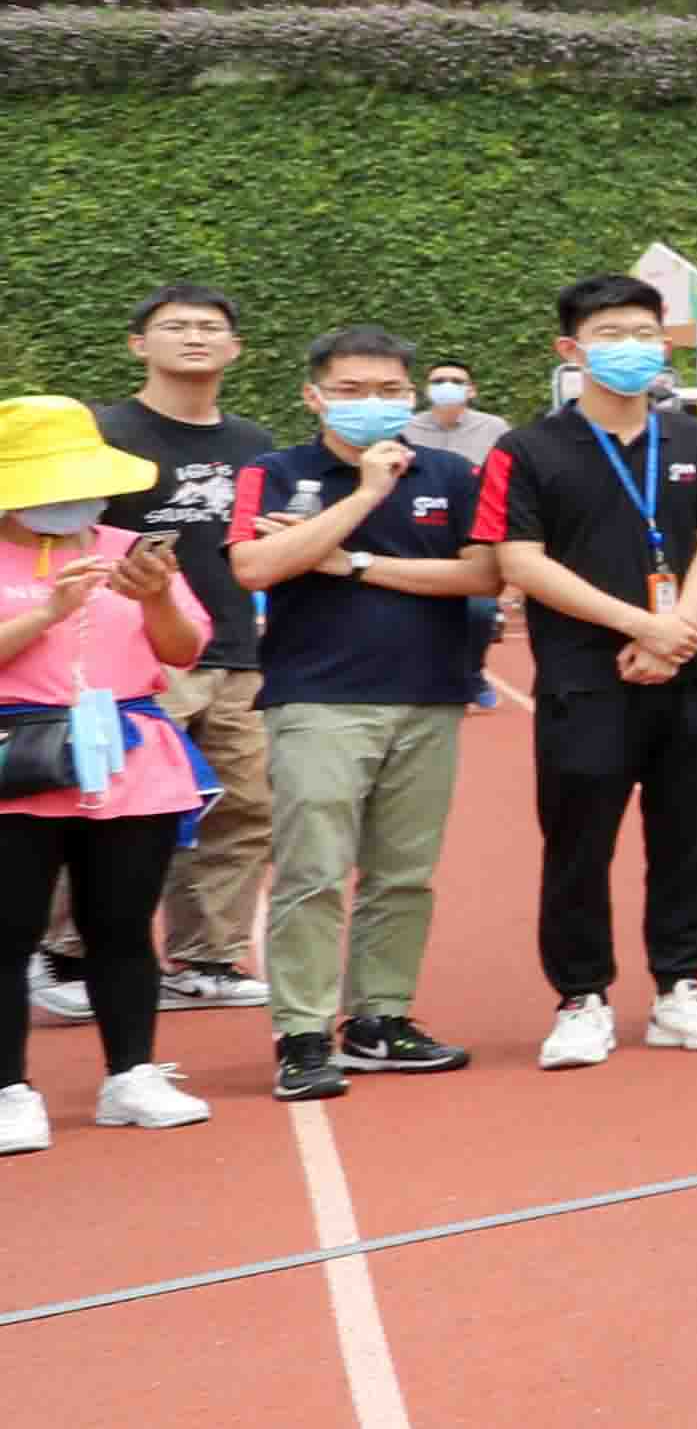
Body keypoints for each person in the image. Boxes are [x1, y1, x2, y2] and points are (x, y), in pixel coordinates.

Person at [471, 275, 697, 1066]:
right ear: (572, 349)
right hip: (585, 679)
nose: (631, 348)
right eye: (610, 334)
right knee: (578, 844)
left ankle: (680, 987)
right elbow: (519, 559)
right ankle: (581, 996)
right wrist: (640, 625)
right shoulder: (525, 449)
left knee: (690, 838)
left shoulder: (696, 440)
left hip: (693, 673)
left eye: (643, 333)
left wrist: (678, 630)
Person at [234, 328, 497, 1100]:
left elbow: (481, 575)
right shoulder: (275, 472)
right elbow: (256, 565)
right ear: (314, 396)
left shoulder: (451, 473)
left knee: (404, 875)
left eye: (389, 390)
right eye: (351, 391)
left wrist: (348, 562)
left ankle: (380, 1018)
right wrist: (367, 496)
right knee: (312, 873)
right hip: (317, 697)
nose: (372, 404)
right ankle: (303, 1033)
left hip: (429, 695)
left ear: (411, 395)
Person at [0, 397, 224, 1147]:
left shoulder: (133, 550)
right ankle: (8, 1090)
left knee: (122, 925)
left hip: (128, 754)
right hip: (17, 759)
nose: (68, 499)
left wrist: (157, 595)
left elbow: (183, 650)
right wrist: (48, 612)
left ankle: (131, 1075)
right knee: (8, 931)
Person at [97, 284, 278, 1013]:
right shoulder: (103, 434)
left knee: (244, 809)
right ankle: (68, 953)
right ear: (139, 344)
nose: (195, 337)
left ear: (235, 349)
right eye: (176, 326)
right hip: (132, 654)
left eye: (210, 327)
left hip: (237, 651)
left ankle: (206, 957)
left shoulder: (255, 443)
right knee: (111, 809)